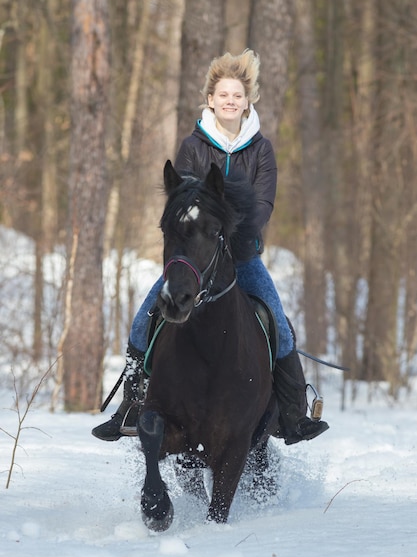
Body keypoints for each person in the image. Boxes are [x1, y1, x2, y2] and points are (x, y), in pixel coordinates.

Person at [92, 49, 329, 446]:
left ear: (247, 100)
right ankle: (130, 406)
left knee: (280, 327)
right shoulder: (193, 145)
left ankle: (293, 417)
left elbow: (262, 205)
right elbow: (183, 195)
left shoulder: (262, 150)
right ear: (210, 100)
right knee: (141, 321)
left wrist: (230, 233)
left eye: (237, 95)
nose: (230, 102)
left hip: (243, 255)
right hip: (196, 255)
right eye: (223, 95)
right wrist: (201, 235)